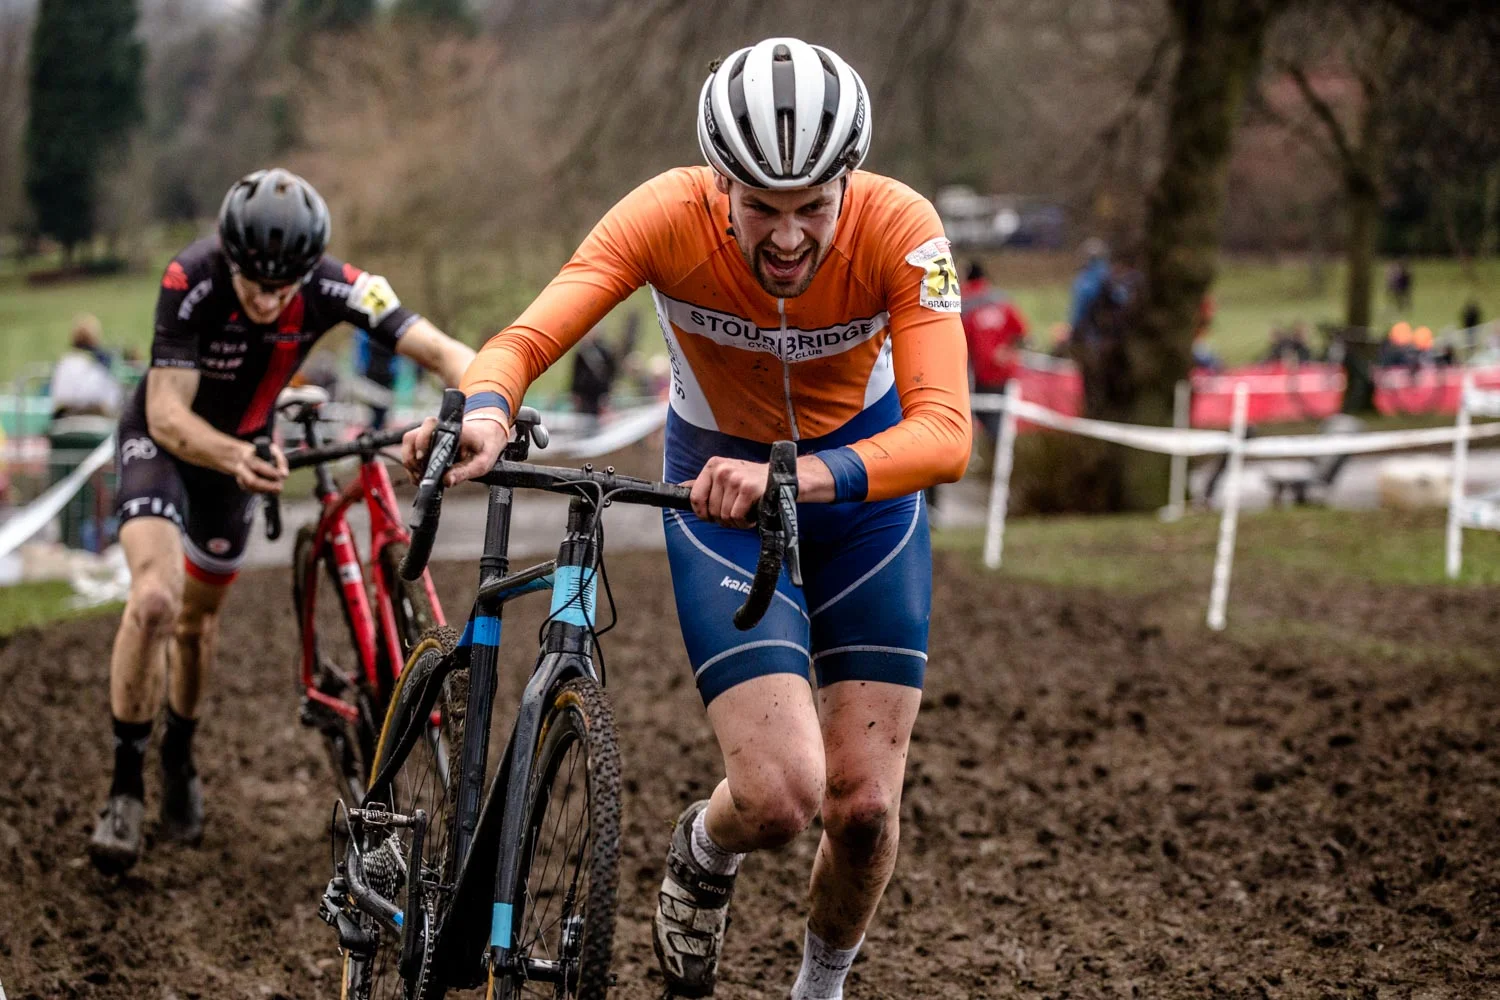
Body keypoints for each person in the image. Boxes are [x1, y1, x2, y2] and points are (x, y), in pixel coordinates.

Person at [404, 37, 970, 999]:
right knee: (780, 798)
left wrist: (801, 475)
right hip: (718, 495)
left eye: (812, 208)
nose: (787, 237)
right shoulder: (665, 214)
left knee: (864, 808)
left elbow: (946, 433)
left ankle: (819, 989)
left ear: (850, 182)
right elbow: (528, 337)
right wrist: (490, 412)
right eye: (760, 207)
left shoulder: (902, 227)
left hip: (861, 505)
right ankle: (706, 847)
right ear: (719, 185)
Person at [88, 168, 475, 874]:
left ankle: (178, 753)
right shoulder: (190, 278)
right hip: (165, 447)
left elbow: (444, 350)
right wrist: (236, 454)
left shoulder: (338, 284)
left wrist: (489, 399)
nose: (268, 300)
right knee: (155, 601)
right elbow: (167, 414)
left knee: (196, 628)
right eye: (254, 285)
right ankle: (124, 788)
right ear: (229, 259)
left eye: (283, 288)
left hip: (239, 459)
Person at [48, 316, 124, 551]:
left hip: (67, 433)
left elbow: (58, 399)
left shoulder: (66, 363)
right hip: (93, 433)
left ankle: (73, 540)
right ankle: (94, 542)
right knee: (95, 493)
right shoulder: (99, 364)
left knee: (73, 493)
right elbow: (110, 400)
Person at [960, 259, 1027, 447]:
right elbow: (1022, 333)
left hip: (975, 377)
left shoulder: (963, 304)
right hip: (1005, 374)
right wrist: (1008, 351)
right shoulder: (1001, 300)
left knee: (981, 420)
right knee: (1000, 422)